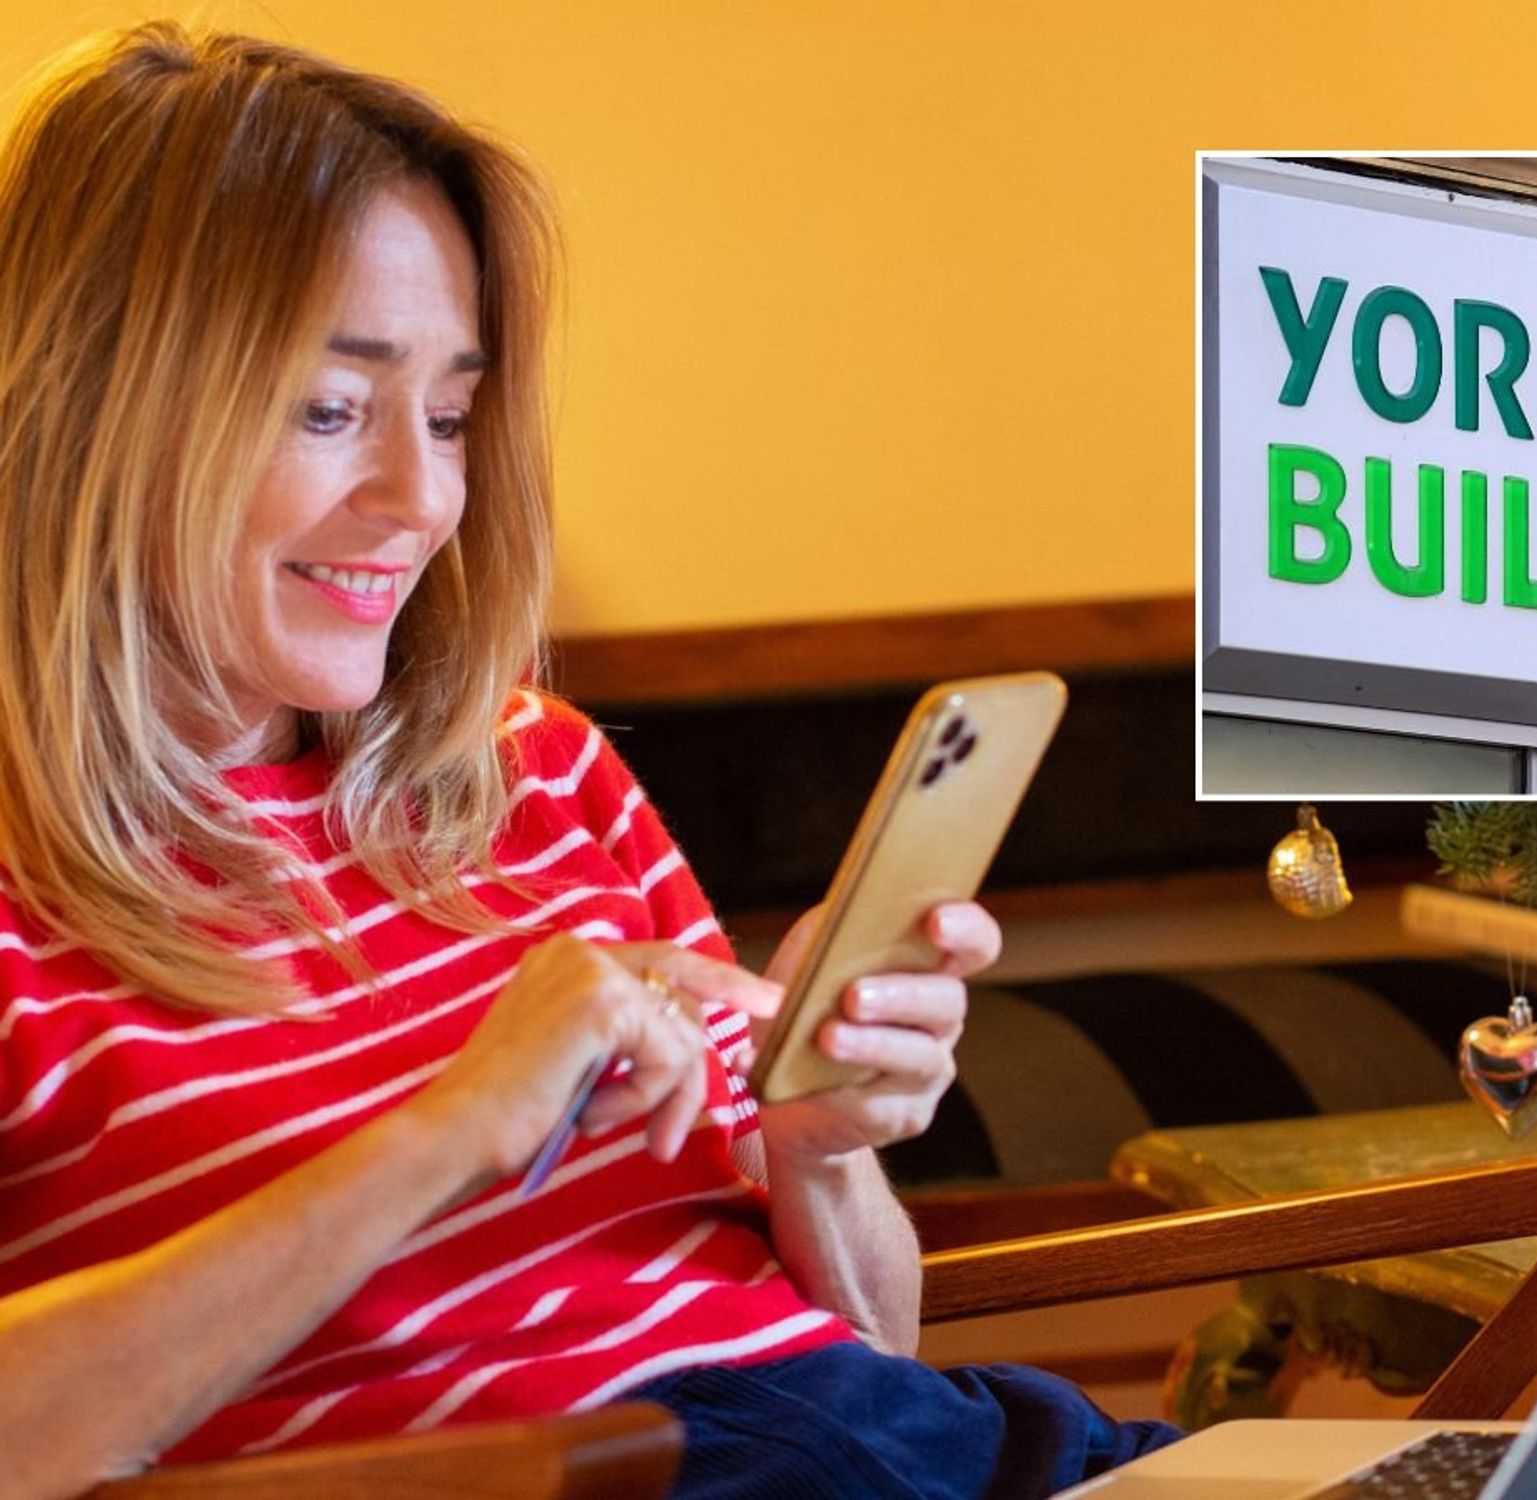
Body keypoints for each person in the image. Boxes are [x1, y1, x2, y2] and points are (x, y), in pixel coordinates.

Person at [0, 23, 1176, 1499]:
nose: (422, 498)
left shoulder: (531, 773)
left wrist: (815, 1151)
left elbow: (873, 1353)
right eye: (331, 409)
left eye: (449, 415)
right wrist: (451, 1130)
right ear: (87, 410)